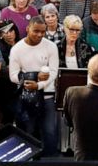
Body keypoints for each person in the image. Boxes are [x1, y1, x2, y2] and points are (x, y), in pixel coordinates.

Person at [8, 16, 60, 156]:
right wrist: (31, 77)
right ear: (27, 29)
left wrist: (39, 85)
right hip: (27, 96)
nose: (39, 35)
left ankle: (51, 161)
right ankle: (29, 160)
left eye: (42, 32)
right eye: (36, 31)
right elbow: (13, 75)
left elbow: (54, 72)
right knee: (28, 130)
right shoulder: (17, 49)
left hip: (47, 94)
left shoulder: (51, 46)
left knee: (49, 130)